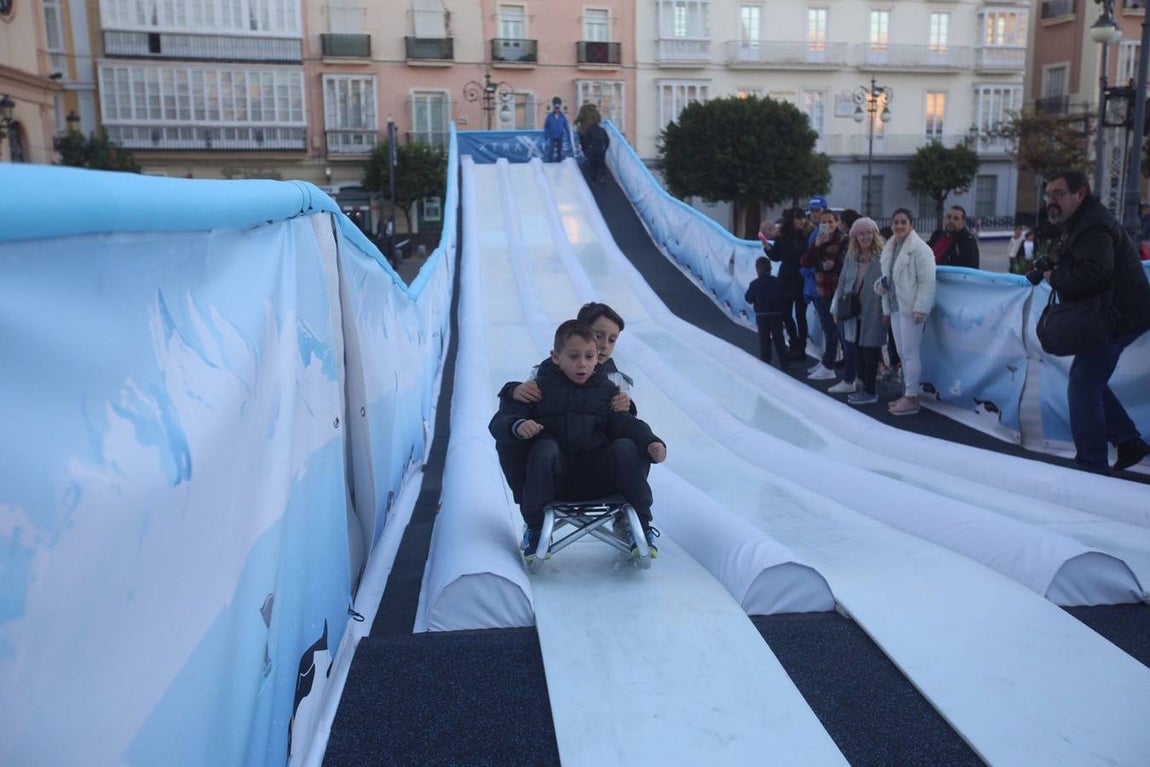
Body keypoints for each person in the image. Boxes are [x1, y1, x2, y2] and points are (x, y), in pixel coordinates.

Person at [489, 320, 668, 561]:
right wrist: (518, 426)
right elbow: (501, 420)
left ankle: (640, 526)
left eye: (588, 356)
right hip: (555, 479)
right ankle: (536, 528)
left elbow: (625, 423)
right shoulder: (538, 390)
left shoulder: (608, 391)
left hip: (599, 477)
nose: (582, 363)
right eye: (573, 357)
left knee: (626, 446)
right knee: (544, 448)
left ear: (597, 359)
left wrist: (650, 442)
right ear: (556, 357)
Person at [1042, 170, 1150, 474]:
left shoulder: (1093, 225)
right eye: (1048, 195)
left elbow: (1095, 273)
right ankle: (1128, 442)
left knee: (1083, 385)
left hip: (1118, 316)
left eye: (1058, 194)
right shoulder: (1083, 222)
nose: (1051, 201)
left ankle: (1092, 465)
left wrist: (1054, 276)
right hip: (1115, 314)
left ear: (1081, 194)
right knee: (1088, 381)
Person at [496, 302, 636, 503]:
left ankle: (627, 503)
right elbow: (521, 409)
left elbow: (624, 423)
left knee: (632, 443)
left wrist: (628, 407)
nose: (604, 345)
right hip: (554, 461)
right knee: (512, 436)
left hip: (597, 464)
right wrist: (512, 391)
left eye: (612, 340)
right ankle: (528, 500)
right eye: (598, 336)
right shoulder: (545, 374)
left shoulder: (616, 380)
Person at [875, 208, 936, 416]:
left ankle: (911, 397)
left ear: (911, 225)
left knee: (910, 354)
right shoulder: (890, 248)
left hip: (911, 309)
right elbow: (887, 277)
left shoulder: (920, 249)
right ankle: (907, 393)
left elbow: (927, 282)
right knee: (902, 354)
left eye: (903, 222)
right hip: (895, 307)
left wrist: (921, 308)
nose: (899, 226)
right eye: (896, 222)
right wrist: (880, 287)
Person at [830, 217, 885, 403]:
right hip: (853, 311)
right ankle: (861, 385)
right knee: (857, 350)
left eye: (868, 232)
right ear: (854, 236)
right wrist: (837, 308)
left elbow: (889, 285)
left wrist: (886, 311)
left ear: (874, 234)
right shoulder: (851, 256)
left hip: (874, 311)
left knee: (870, 352)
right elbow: (843, 282)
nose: (865, 237)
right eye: (861, 233)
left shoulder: (882, 256)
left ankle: (870, 391)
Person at [802, 208, 847, 380]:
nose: (827, 225)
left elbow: (846, 263)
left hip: (837, 291)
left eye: (830, 222)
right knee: (827, 328)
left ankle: (830, 365)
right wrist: (816, 245)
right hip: (820, 289)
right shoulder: (818, 239)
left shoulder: (843, 240)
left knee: (834, 329)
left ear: (837, 223)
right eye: (823, 222)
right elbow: (806, 262)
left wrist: (833, 264)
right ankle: (826, 361)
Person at [767, 207, 811, 360]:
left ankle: (801, 348)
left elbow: (799, 254)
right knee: (786, 313)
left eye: (802, 217)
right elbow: (776, 256)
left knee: (800, 314)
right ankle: (794, 342)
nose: (801, 221)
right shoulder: (783, 236)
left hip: (800, 277)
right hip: (786, 277)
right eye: (798, 218)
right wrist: (767, 246)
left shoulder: (806, 235)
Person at [745, 257, 789, 370]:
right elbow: (784, 297)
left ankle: (765, 363)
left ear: (757, 269)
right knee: (779, 339)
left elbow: (748, 298)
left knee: (764, 340)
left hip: (761, 315)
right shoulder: (777, 282)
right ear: (770, 268)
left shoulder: (754, 284)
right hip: (776, 314)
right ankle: (785, 362)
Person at [579, 112, 610, 184]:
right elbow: (607, 140)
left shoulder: (589, 130)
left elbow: (585, 141)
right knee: (601, 163)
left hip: (592, 149)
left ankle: (593, 179)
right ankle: (602, 176)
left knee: (593, 165)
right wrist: (605, 148)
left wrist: (586, 149)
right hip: (601, 149)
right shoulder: (602, 130)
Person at [543, 97, 568, 163]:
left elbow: (566, 126)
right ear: (554, 108)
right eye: (556, 108)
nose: (557, 109)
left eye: (558, 108)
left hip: (560, 136)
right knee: (550, 150)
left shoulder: (563, 116)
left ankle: (559, 162)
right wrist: (546, 135)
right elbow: (546, 126)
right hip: (552, 136)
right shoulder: (549, 116)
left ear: (559, 108)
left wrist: (568, 134)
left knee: (560, 151)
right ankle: (550, 162)